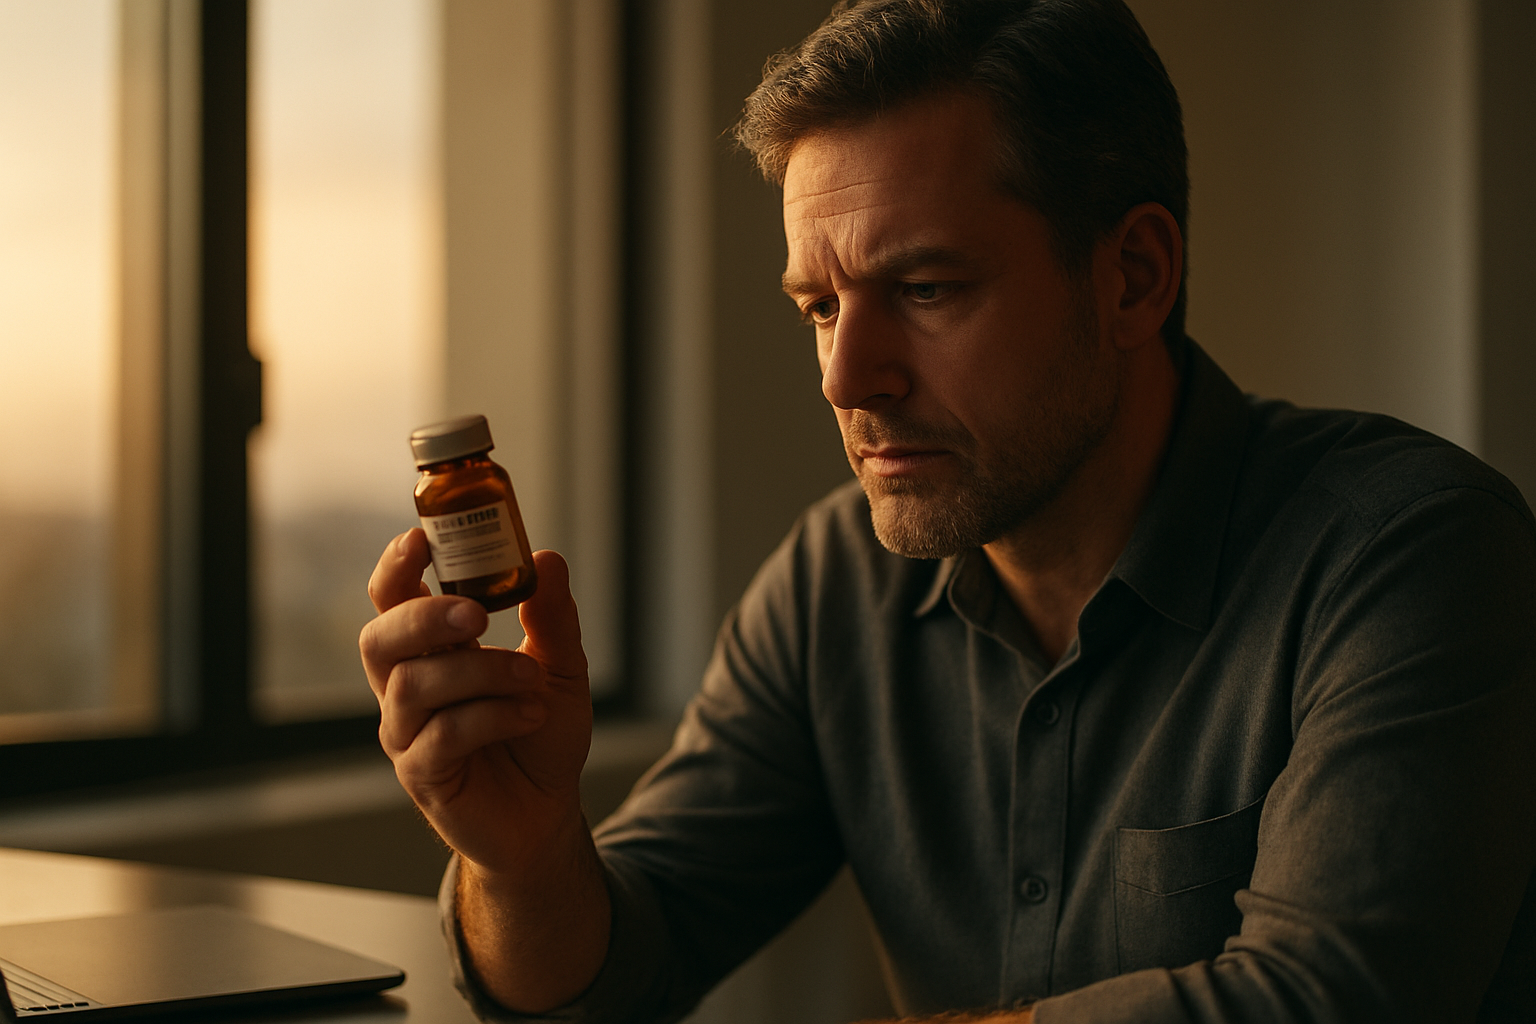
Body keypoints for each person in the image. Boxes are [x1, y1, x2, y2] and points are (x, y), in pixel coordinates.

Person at [359, 0, 1536, 1020]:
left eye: (924, 288)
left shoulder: (1411, 553)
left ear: (1133, 275)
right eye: (819, 306)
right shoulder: (834, 587)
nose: (842, 375)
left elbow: (1333, 1005)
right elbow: (609, 972)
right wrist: (521, 861)